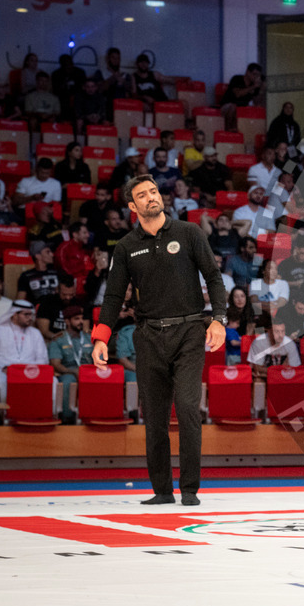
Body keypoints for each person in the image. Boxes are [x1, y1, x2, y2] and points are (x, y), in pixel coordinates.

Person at [90, 175, 227, 507]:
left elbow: (213, 276)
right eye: (142, 195)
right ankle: (163, 490)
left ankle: (190, 489)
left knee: (187, 408)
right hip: (148, 334)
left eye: (153, 191)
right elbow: (112, 297)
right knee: (154, 416)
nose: (151, 197)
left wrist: (219, 320)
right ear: (132, 206)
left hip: (190, 331)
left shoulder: (189, 232)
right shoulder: (125, 247)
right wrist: (101, 337)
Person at [48, 305, 92, 424]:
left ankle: (96, 415)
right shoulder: (58, 339)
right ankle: (67, 418)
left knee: (102, 378)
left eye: (82, 318)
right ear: (67, 321)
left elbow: (101, 360)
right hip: (68, 371)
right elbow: (55, 363)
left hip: (89, 371)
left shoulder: (90, 338)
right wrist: (73, 371)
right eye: (76, 319)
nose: (81, 322)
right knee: (68, 382)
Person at [220, 63, 265, 130]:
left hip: (243, 108)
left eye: (258, 75)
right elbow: (238, 94)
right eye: (254, 74)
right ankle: (229, 130)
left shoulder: (255, 85)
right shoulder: (236, 79)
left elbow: (256, 102)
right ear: (248, 72)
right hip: (227, 106)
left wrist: (261, 89)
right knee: (232, 107)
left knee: (259, 109)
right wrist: (253, 87)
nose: (256, 77)